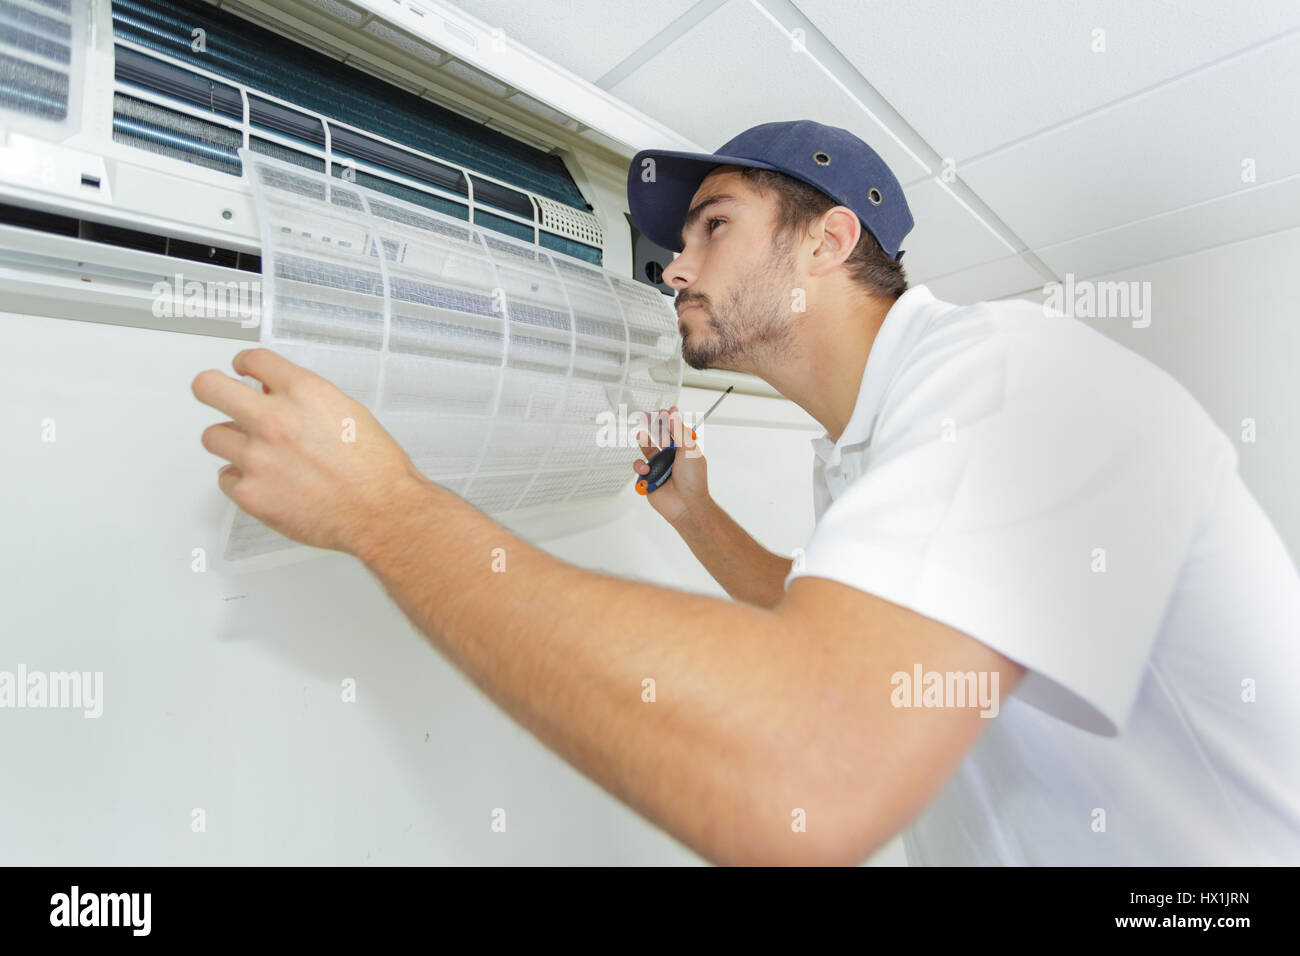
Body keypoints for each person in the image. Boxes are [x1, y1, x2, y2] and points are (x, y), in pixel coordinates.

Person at [193, 120, 1300, 866]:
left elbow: (805, 762)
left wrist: (387, 512)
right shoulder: (867, 442)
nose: (673, 265)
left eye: (711, 224)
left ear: (829, 239)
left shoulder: (1014, 377)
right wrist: (694, 514)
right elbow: (844, 621)